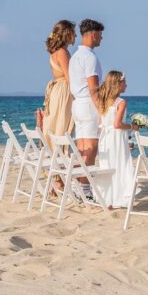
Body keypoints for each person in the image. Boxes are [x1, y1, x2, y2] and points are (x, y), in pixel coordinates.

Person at [69, 19, 104, 198]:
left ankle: (77, 186)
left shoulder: (75, 57)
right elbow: (94, 89)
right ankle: (84, 189)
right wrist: (103, 111)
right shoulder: (90, 57)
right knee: (90, 148)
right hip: (88, 104)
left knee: (80, 147)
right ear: (92, 34)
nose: (101, 38)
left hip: (77, 105)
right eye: (100, 34)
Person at [94, 71, 138, 208]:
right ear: (117, 84)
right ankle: (118, 198)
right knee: (119, 165)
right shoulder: (121, 102)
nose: (126, 84)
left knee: (107, 166)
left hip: (105, 138)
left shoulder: (103, 100)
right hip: (116, 137)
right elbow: (117, 124)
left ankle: (108, 199)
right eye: (124, 82)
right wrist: (132, 126)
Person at [39, 20, 76, 149]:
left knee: (56, 122)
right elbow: (69, 77)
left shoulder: (55, 52)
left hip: (57, 91)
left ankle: (53, 155)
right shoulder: (62, 53)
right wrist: (78, 96)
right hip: (63, 91)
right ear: (67, 34)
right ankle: (59, 155)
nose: (76, 36)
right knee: (62, 124)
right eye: (73, 32)